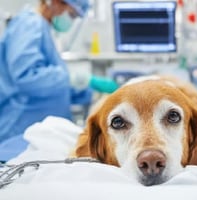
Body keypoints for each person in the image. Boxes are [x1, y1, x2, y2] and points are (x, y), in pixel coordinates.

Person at [0, 0, 118, 161]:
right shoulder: (29, 24)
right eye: (71, 14)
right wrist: (76, 78)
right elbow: (27, 77)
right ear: (54, 2)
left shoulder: (43, 29)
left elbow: (53, 87)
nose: (71, 19)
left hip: (39, 132)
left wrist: (85, 92)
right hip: (20, 127)